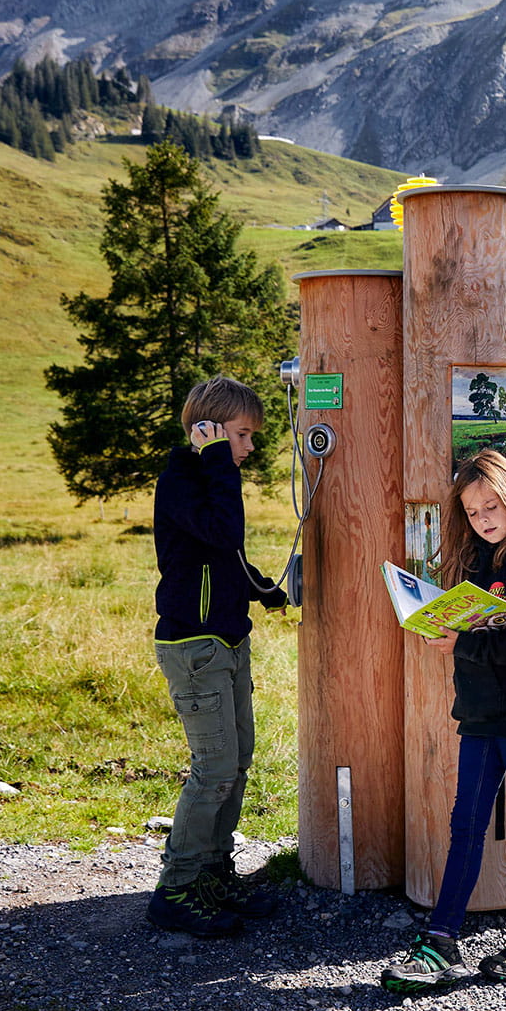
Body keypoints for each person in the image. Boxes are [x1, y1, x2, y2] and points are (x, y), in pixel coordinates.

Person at [382, 448, 506, 991]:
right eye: (471, 511)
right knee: (465, 822)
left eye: (492, 505)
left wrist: (465, 641)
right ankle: (441, 941)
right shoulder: (478, 561)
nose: (483, 518)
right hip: (481, 709)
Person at [146, 376, 289, 938]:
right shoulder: (184, 475)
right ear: (207, 429)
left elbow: (224, 553)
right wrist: (215, 462)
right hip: (193, 644)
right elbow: (222, 527)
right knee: (213, 771)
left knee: (238, 761)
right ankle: (176, 888)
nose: (250, 448)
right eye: (243, 434)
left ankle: (212, 872)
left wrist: (261, 589)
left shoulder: (209, 474)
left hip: (227, 638)